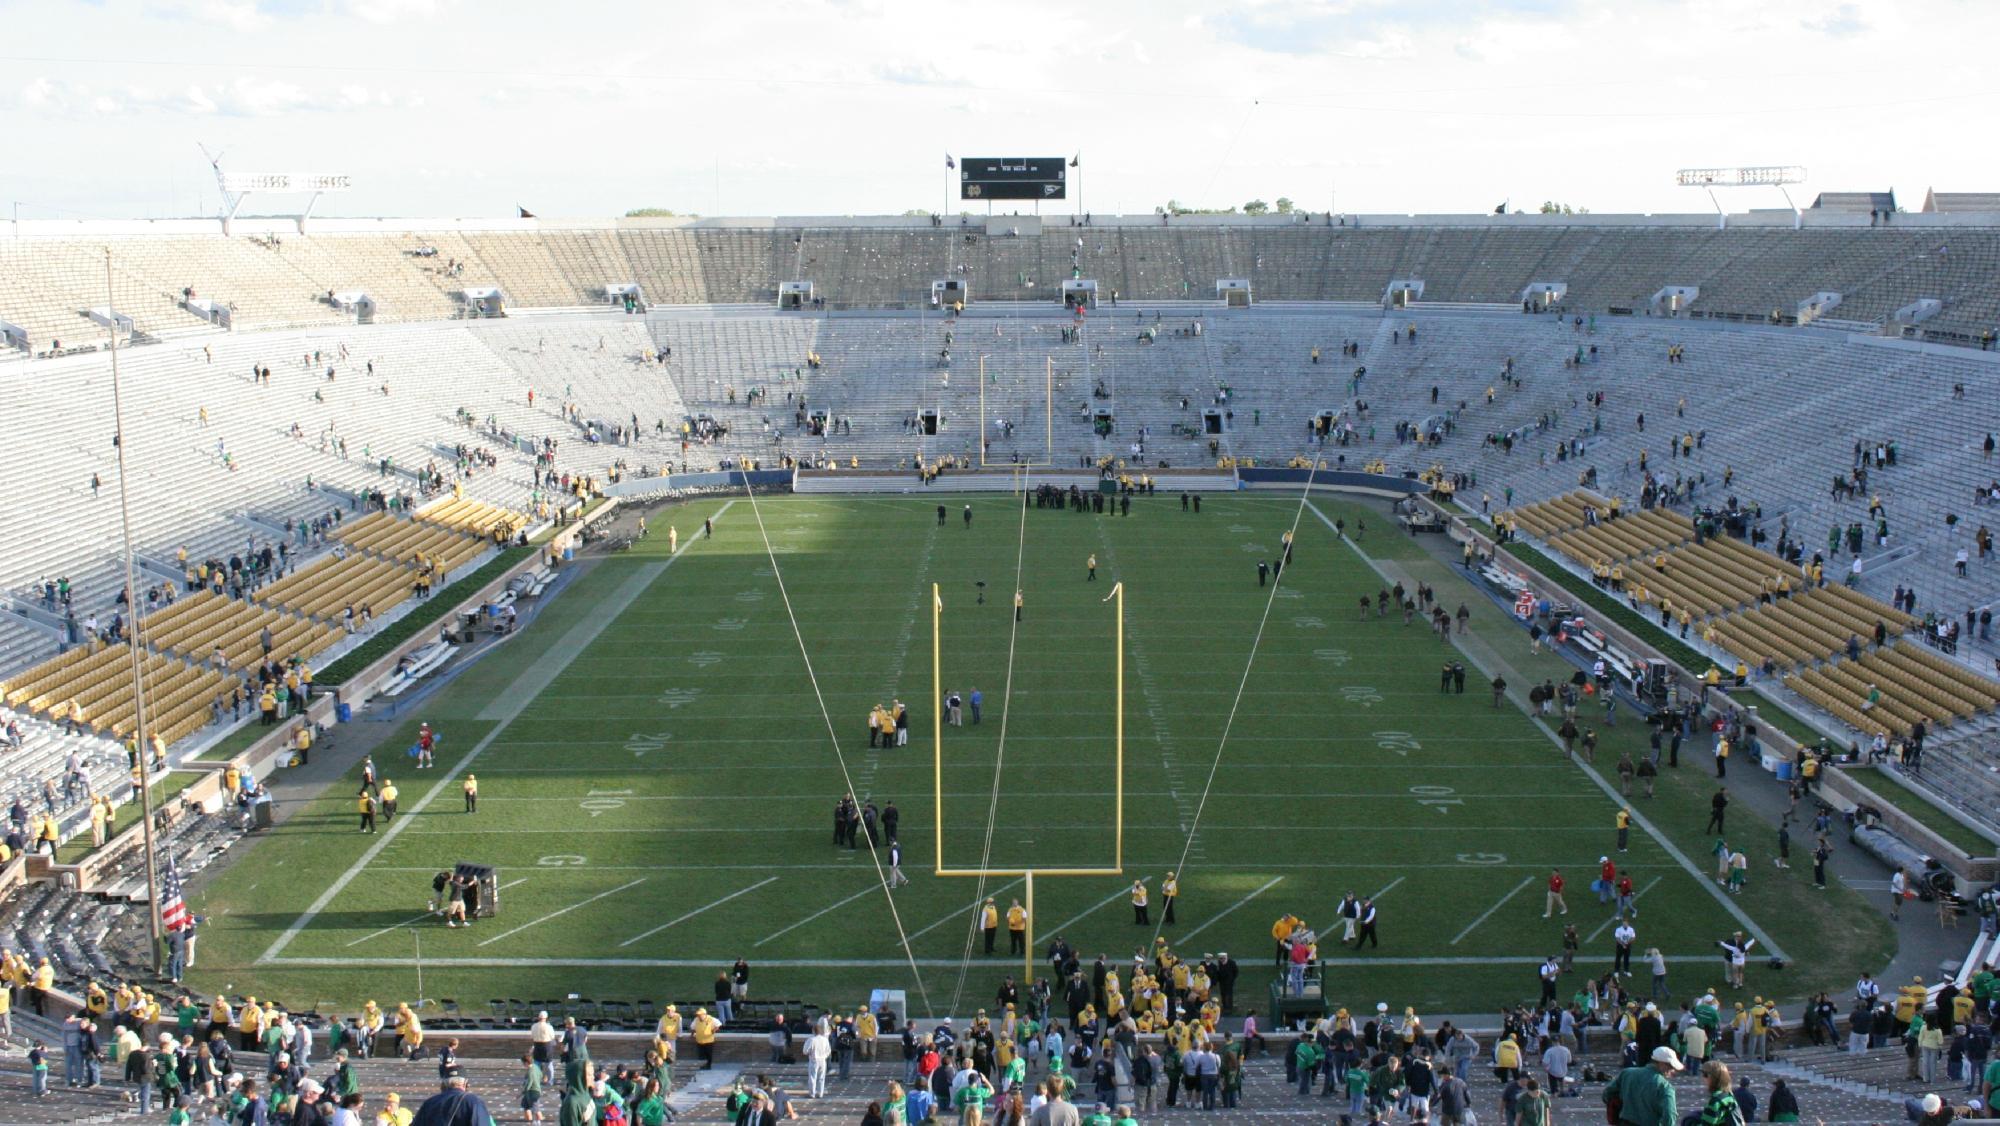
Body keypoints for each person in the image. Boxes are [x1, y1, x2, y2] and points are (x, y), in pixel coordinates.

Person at [1601, 1045, 1681, 1126]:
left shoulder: (1627, 1073)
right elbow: (1669, 1115)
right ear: (1662, 1064)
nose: (1673, 1071)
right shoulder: (1664, 1086)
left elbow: (1607, 1094)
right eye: (1671, 1067)